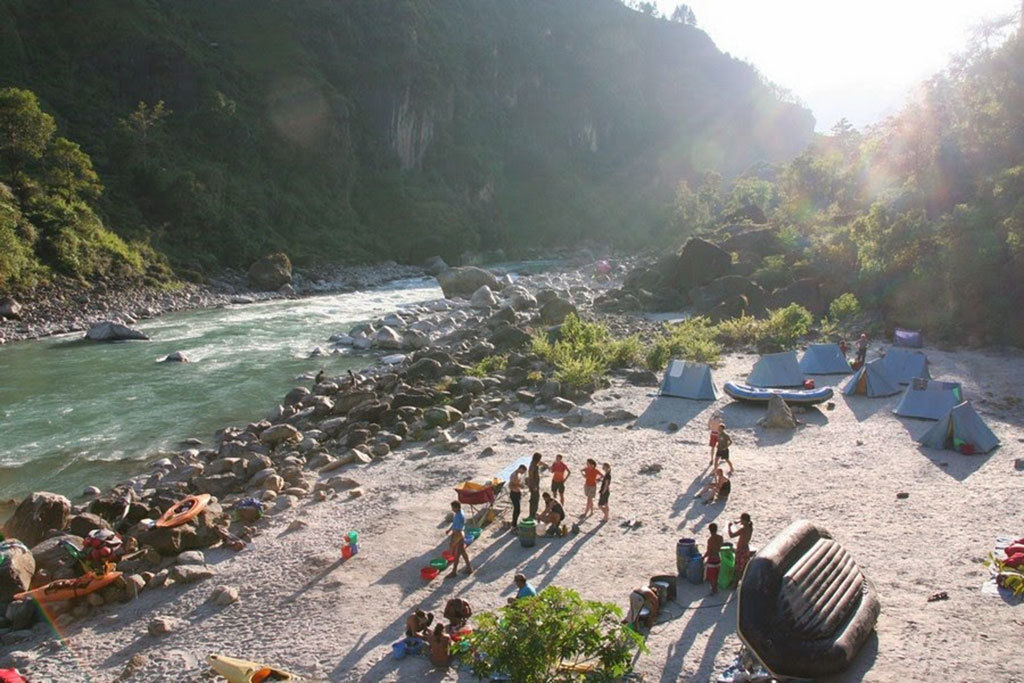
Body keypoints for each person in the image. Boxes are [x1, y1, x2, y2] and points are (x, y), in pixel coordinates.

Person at [446, 501, 472, 577]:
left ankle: (454, 572)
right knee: (463, 552)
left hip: (459, 535)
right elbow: (454, 524)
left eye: (453, 508)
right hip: (459, 534)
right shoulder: (459, 513)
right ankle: (469, 568)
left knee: (457, 554)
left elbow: (458, 529)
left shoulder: (460, 516)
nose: (452, 509)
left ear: (456, 507)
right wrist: (449, 530)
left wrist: (453, 540)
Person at [728, 513, 754, 582]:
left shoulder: (743, 530)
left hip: (741, 550)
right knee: (743, 567)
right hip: (746, 549)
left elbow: (731, 535)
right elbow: (745, 522)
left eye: (741, 520)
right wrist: (738, 522)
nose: (741, 521)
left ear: (745, 521)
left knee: (738, 568)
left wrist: (729, 527)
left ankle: (735, 584)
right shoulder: (750, 528)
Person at [704, 523, 724, 595]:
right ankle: (716, 588)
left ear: (710, 530)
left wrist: (703, 557)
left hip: (712, 559)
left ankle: (713, 590)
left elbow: (709, 551)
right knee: (716, 574)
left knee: (712, 576)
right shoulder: (720, 538)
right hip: (718, 558)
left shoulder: (710, 540)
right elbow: (721, 546)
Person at [527, 452, 548, 519]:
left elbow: (541, 463)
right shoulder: (533, 466)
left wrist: (543, 464)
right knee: (534, 499)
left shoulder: (534, 463)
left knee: (535, 499)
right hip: (534, 485)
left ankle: (533, 513)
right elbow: (531, 477)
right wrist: (534, 486)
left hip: (535, 484)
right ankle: (532, 514)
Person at [509, 464, 526, 530]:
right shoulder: (513, 475)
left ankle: (514, 523)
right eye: (523, 471)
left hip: (517, 492)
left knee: (517, 509)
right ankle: (514, 525)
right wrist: (519, 485)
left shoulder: (518, 474)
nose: (523, 473)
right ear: (520, 469)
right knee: (517, 509)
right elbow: (512, 484)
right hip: (514, 493)